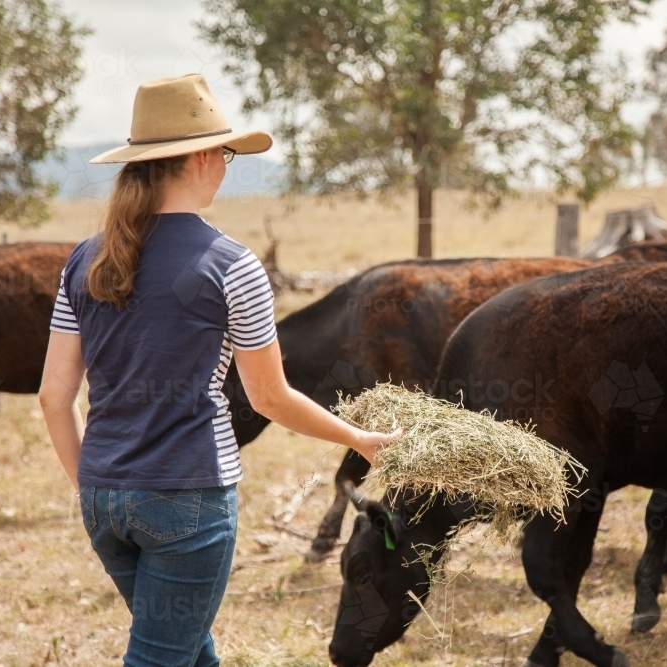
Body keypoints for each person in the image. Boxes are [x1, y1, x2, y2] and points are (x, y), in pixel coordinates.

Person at [38, 73, 400, 667]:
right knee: (162, 656)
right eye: (226, 154)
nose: (228, 167)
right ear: (203, 157)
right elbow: (270, 399)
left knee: (186, 649)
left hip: (104, 496)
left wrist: (92, 487)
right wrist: (359, 439)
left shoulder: (83, 258)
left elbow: (55, 398)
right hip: (189, 498)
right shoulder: (233, 265)